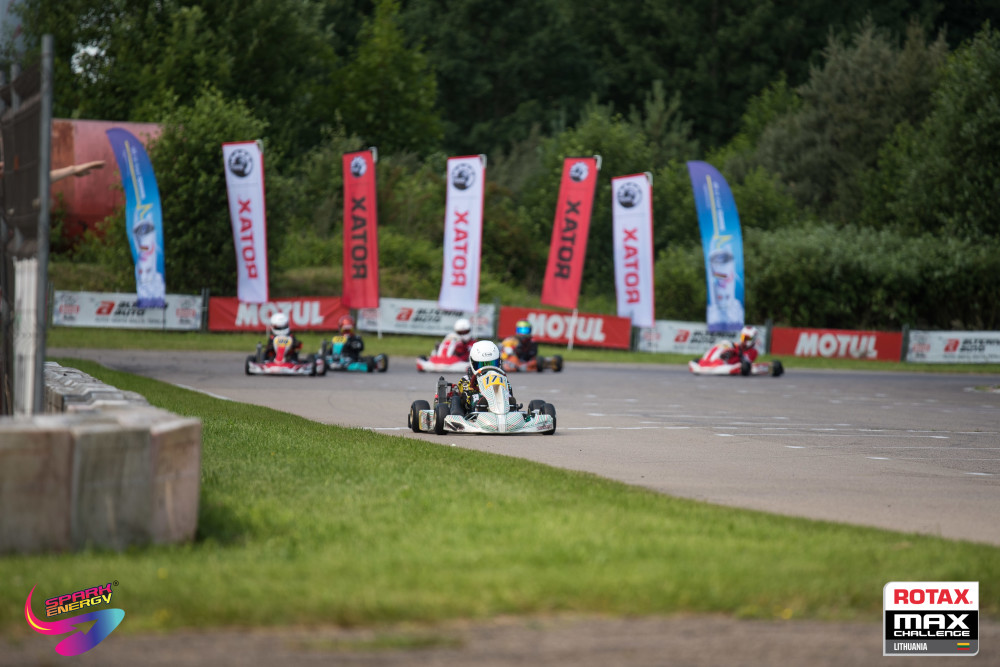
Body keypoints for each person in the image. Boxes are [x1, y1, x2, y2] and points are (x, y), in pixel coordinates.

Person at [454, 340, 509, 414]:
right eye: (482, 365)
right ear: (473, 363)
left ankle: (506, 408)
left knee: (507, 394)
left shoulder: (503, 380)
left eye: (492, 364)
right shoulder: (466, 380)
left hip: (502, 412)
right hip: (474, 416)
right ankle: (481, 404)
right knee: (467, 398)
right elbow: (465, 403)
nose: (488, 368)